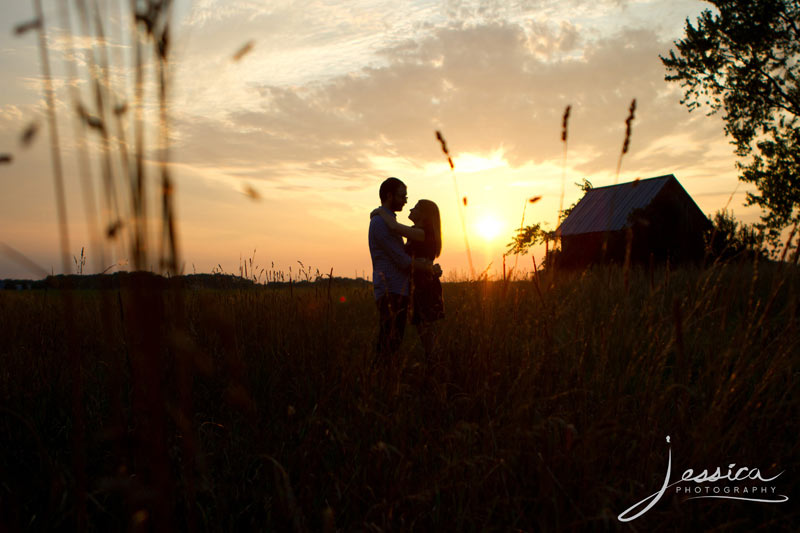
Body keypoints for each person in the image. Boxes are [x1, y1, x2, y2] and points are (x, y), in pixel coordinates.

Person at [368, 177, 440, 359]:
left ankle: (435, 368)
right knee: (392, 340)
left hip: (417, 287)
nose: (407, 203)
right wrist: (427, 267)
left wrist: (378, 211)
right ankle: (383, 375)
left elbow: (395, 230)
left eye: (413, 204)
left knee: (416, 336)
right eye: (403, 197)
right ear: (390, 196)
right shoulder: (381, 223)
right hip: (393, 288)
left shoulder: (416, 231)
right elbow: (402, 260)